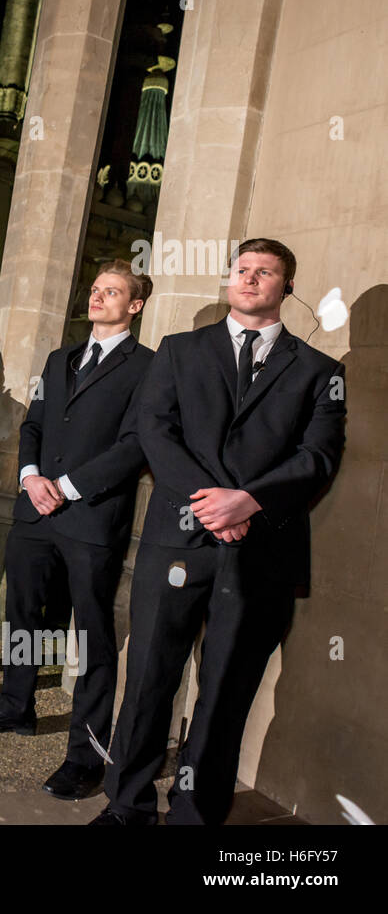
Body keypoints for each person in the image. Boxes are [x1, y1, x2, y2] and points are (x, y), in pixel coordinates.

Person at [92, 238, 346, 825]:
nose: (251, 279)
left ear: (286, 287)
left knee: (227, 691)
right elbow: (154, 430)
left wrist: (249, 502)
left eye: (266, 272)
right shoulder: (179, 351)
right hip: (177, 539)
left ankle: (194, 813)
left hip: (263, 554)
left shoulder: (319, 371)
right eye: (242, 270)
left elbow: (319, 458)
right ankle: (126, 806)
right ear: (229, 280)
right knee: (150, 680)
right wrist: (213, 505)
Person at [0, 260, 154, 802]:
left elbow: (135, 445)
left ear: (134, 305)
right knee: (23, 617)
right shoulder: (59, 357)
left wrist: (64, 486)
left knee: (91, 638)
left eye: (111, 292)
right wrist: (30, 477)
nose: (97, 297)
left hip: (90, 520)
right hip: (34, 513)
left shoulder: (150, 367)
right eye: (94, 290)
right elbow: (35, 424)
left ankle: (86, 757)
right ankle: (15, 708)